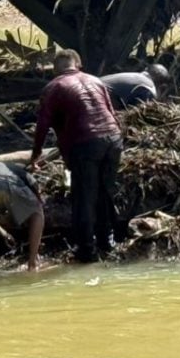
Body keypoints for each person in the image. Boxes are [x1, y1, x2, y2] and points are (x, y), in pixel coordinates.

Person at [29, 49, 123, 263]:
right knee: (105, 192)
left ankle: (87, 251)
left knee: (84, 198)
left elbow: (42, 124)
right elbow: (111, 112)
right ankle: (107, 243)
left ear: (55, 69)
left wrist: (35, 154)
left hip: (85, 144)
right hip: (113, 139)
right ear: (78, 65)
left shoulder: (53, 87)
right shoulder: (96, 81)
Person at [100, 64, 170, 110]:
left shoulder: (133, 76)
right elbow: (134, 116)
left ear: (145, 69)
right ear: (162, 87)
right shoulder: (149, 88)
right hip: (97, 98)